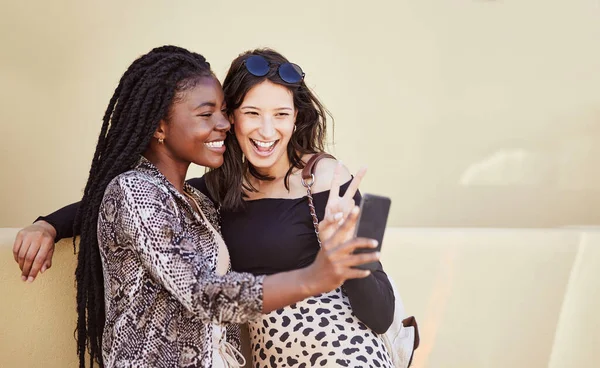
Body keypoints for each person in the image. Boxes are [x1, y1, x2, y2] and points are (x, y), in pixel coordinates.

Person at [14, 48, 395, 367]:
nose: (266, 130)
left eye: (281, 114)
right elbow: (126, 201)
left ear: (297, 119)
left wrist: (340, 258)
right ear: (234, 117)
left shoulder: (332, 178)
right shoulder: (214, 191)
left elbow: (381, 314)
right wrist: (48, 225)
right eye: (250, 113)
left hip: (346, 355)